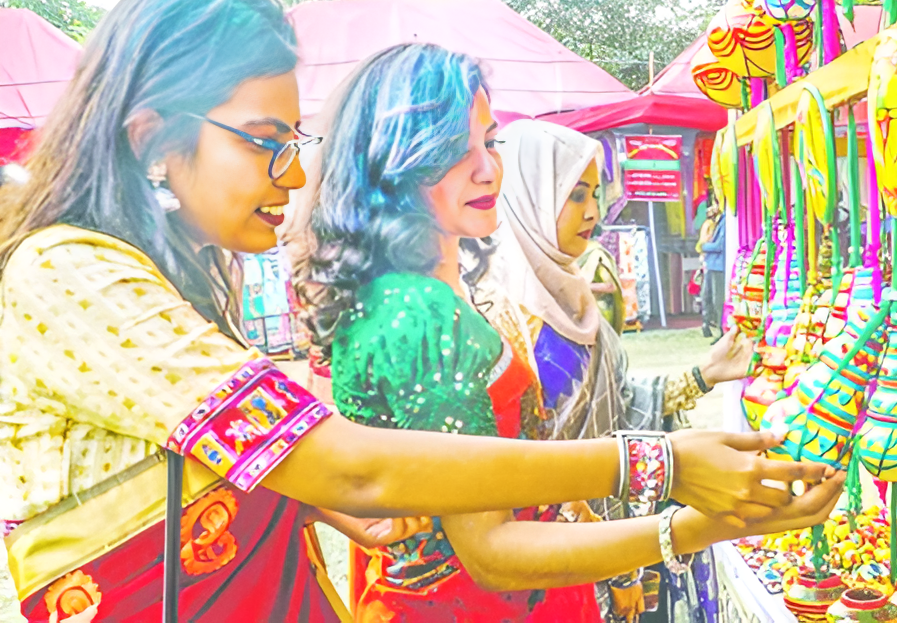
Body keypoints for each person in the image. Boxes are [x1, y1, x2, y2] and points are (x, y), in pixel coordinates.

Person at [0, 0, 837, 621]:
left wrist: (309, 499)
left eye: (295, 142)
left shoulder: (179, 275)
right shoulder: (71, 274)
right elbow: (354, 463)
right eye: (264, 142)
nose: (293, 171)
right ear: (152, 137)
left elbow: (237, 467)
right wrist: (664, 470)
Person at [299, 44, 845, 621]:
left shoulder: (434, 291)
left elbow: (530, 462)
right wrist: (695, 526)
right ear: (393, 163)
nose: (487, 170)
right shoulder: (417, 312)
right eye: (454, 151)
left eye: (489, 142)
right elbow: (490, 550)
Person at [489, 120, 757, 621]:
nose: (593, 211)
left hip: (604, 544)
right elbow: (540, 468)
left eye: (596, 194)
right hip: (556, 562)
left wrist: (704, 373)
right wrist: (619, 572)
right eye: (575, 195)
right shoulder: (508, 318)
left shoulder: (569, 294)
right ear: (529, 196)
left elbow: (618, 403)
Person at [698, 202, 727, 340]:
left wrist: (704, 246)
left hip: (718, 265)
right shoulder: (717, 221)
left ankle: (721, 329)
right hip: (711, 264)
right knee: (706, 296)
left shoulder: (725, 221)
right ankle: (708, 324)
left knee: (717, 299)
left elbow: (719, 245)